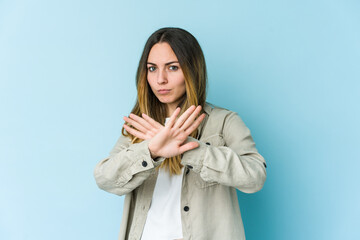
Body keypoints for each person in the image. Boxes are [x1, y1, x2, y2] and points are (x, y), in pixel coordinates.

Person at [94, 27, 267, 240]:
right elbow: (105, 179)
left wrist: (189, 148)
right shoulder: (140, 126)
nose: (160, 79)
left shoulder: (224, 121)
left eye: (173, 67)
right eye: (152, 68)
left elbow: (255, 177)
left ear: (192, 70)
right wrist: (151, 150)